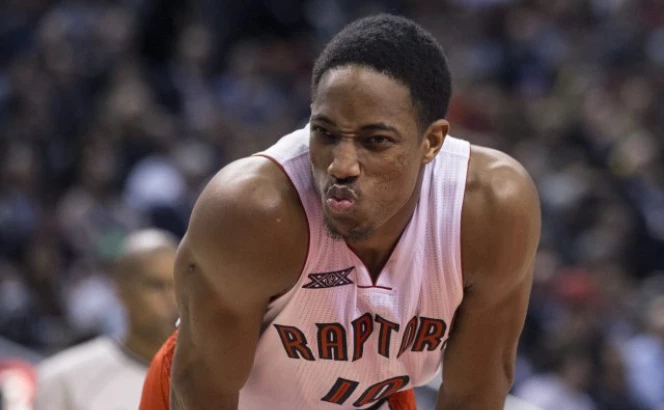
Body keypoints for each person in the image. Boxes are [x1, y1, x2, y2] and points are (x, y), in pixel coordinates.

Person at [139, 14, 541, 410]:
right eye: (326, 133)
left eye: (375, 141)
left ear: (431, 142)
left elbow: (474, 395)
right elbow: (203, 387)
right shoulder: (252, 211)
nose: (341, 165)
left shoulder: (490, 208)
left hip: (369, 394)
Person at [35, 229, 179, 410]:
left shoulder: (205, 379)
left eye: (177, 285)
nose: (171, 299)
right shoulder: (64, 379)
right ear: (121, 289)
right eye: (156, 285)